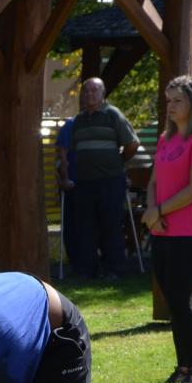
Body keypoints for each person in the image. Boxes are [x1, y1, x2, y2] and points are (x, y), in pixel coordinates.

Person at [141, 75, 192, 383]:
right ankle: (182, 368)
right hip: (162, 231)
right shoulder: (166, 139)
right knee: (174, 302)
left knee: (179, 299)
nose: (170, 106)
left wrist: (159, 211)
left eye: (177, 101)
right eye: (168, 100)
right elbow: (154, 182)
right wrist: (152, 213)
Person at [71, 78, 140, 280]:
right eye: (86, 91)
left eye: (94, 91)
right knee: (86, 226)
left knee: (110, 225)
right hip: (84, 181)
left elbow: (132, 144)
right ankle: (88, 269)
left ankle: (114, 269)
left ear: (103, 94)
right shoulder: (79, 120)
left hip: (110, 180)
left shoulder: (113, 115)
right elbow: (74, 148)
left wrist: (118, 161)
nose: (89, 94)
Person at [55, 116, 81, 270]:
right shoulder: (71, 125)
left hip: (91, 180)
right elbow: (62, 154)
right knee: (72, 222)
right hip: (74, 181)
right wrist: (65, 178)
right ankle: (75, 261)